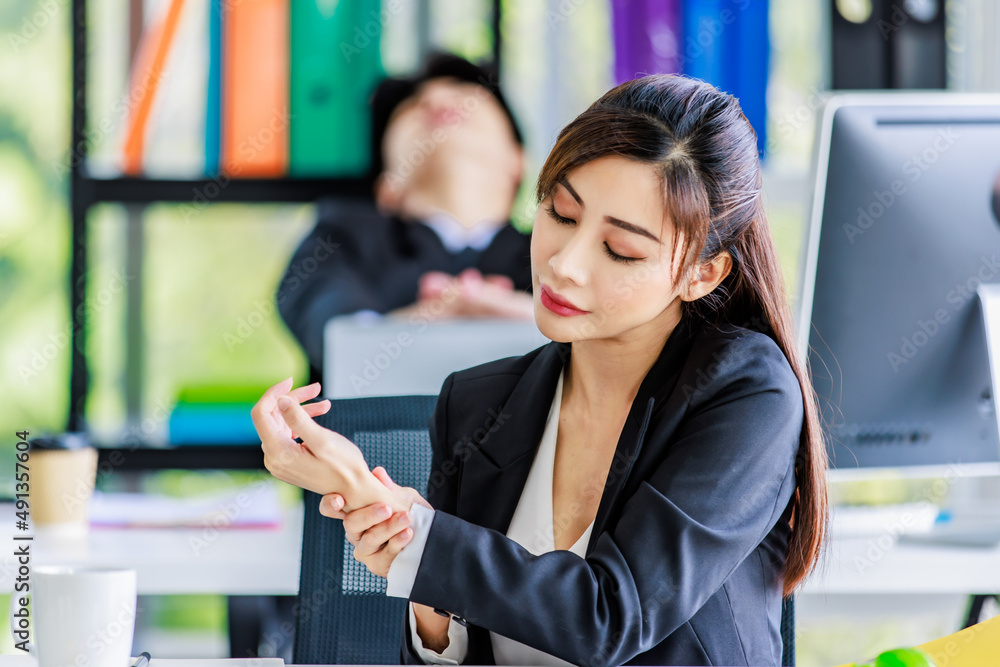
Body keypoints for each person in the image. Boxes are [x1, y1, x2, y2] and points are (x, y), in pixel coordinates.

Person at [252, 73, 829, 667]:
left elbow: (610, 617)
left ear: (702, 274)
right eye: (561, 213)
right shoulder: (476, 403)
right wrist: (431, 604)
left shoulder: (746, 391)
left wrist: (412, 530)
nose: (565, 264)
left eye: (621, 250)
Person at [276, 52, 534, 376]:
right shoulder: (340, 237)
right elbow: (333, 327)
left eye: (463, 90)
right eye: (412, 105)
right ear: (388, 187)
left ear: (519, 160)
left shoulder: (560, 248)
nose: (435, 98)